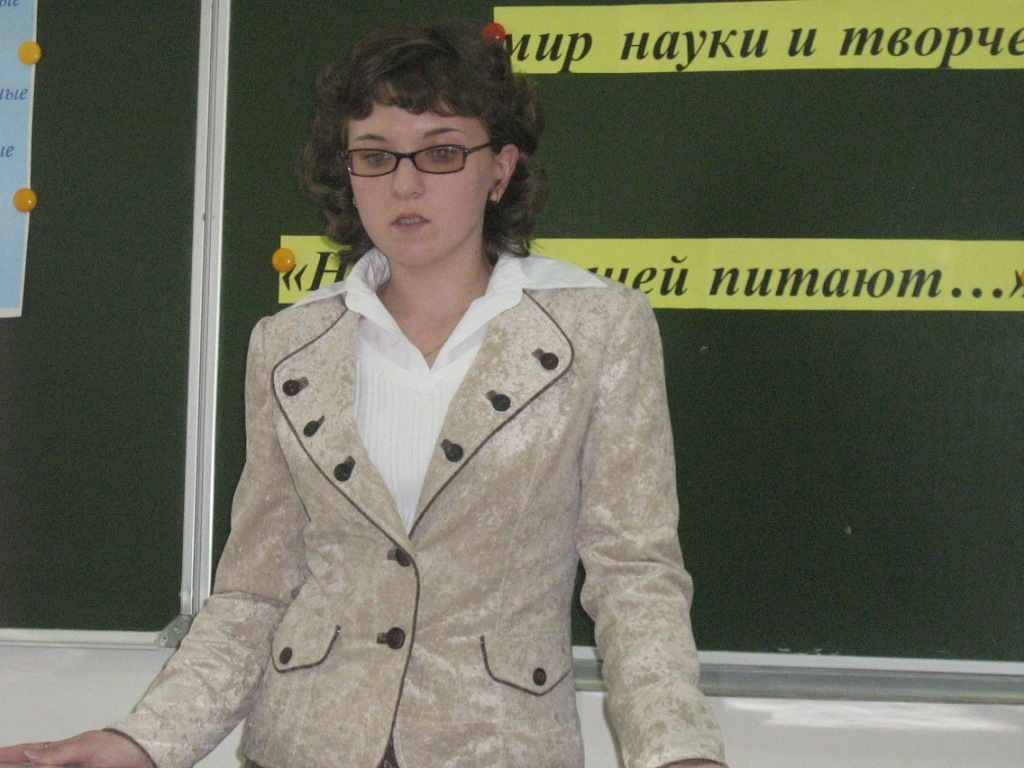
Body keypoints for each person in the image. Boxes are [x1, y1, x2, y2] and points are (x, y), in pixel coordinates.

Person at [0, 21, 725, 768]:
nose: (404, 185)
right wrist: (143, 743)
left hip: (499, 748)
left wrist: (677, 752)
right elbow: (255, 593)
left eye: (441, 152)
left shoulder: (598, 330)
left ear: (500, 170)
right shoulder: (289, 345)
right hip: (302, 747)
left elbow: (634, 576)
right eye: (376, 156)